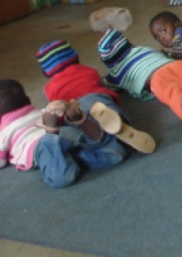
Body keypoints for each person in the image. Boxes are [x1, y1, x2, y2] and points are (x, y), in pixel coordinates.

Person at [0, 79, 130, 188]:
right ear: (28, 100)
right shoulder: (42, 112)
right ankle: (81, 121)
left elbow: (1, 161)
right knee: (84, 152)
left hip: (41, 146)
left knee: (60, 177)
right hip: (65, 133)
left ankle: (51, 134)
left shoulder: (4, 132)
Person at [35, 40, 155, 154]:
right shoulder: (88, 71)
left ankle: (107, 141)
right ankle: (122, 125)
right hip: (98, 101)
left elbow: (58, 112)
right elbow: (102, 86)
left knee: (76, 129)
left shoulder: (49, 88)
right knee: (111, 112)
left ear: (46, 71)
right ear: (75, 57)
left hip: (75, 110)